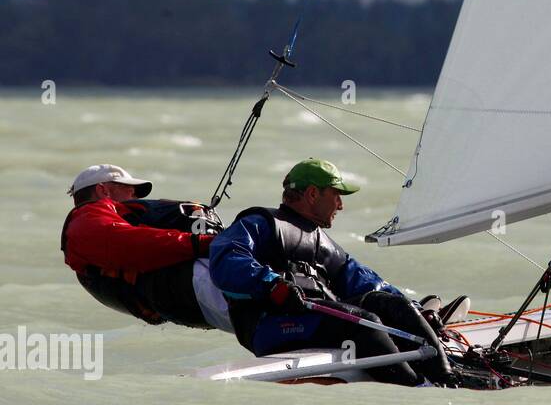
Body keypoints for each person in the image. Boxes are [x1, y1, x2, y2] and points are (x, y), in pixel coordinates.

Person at [208, 158, 451, 386]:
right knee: (366, 322)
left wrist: (416, 310)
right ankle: (419, 387)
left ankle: (447, 377)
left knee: (391, 306)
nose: (341, 205)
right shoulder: (259, 225)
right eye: (337, 195)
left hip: (315, 319)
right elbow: (226, 259)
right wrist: (271, 284)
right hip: (269, 326)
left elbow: (366, 283)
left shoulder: (320, 241)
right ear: (313, 194)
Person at [61, 164, 219, 329]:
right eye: (130, 189)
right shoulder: (84, 220)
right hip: (196, 291)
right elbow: (134, 244)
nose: (136, 197)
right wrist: (206, 243)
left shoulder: (89, 230)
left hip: (192, 302)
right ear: (103, 190)